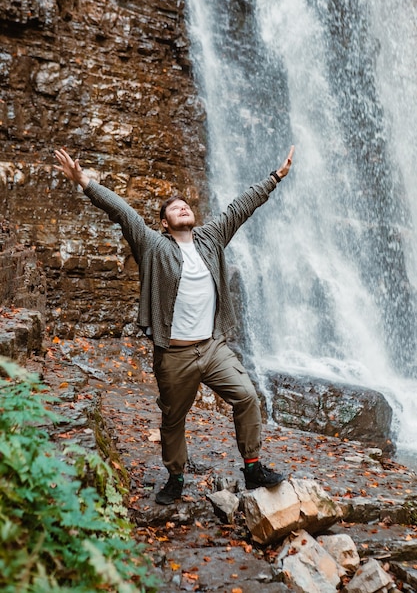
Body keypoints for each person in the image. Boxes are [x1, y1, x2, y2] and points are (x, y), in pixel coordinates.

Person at [54, 145, 295, 505]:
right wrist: (84, 181)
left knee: (246, 396)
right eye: (174, 208)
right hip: (175, 354)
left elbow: (240, 207)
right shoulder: (152, 245)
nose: (183, 208)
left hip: (212, 348)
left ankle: (253, 467)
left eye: (186, 205)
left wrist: (274, 178)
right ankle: (176, 476)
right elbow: (121, 211)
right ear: (164, 223)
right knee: (173, 419)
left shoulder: (211, 238)